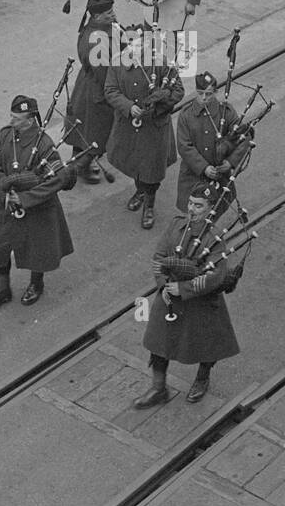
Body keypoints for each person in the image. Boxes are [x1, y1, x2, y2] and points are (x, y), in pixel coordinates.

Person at [133, 181, 241, 407]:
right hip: (169, 298)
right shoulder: (176, 225)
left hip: (199, 302)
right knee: (159, 343)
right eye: (190, 203)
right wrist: (164, 286)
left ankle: (202, 379)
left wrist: (183, 289)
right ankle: (158, 388)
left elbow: (215, 275)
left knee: (207, 345)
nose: (192, 209)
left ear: (211, 209)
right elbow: (159, 257)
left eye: (199, 206)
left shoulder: (215, 240)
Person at [0, 95, 75, 310]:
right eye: (11, 116)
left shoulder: (44, 144)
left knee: (37, 249)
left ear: (30, 120)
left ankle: (36, 284)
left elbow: (58, 179)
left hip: (36, 208)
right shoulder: (5, 135)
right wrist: (2, 188)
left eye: (16, 118)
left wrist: (24, 198)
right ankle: (3, 290)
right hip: (6, 203)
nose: (11, 121)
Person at [105, 26, 185, 230]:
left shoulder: (160, 63)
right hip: (129, 128)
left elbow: (178, 91)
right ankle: (140, 190)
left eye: (141, 44)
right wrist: (128, 106)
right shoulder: (117, 64)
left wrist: (159, 102)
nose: (137, 49)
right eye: (132, 44)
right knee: (134, 163)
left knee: (152, 169)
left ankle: (149, 203)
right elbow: (111, 90)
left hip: (153, 129)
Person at [173, 71, 251, 214]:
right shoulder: (186, 115)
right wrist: (204, 168)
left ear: (215, 92)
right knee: (190, 213)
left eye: (208, 94)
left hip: (219, 176)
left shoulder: (225, 112)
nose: (204, 98)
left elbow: (243, 137)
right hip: (193, 175)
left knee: (213, 212)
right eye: (200, 93)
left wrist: (230, 163)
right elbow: (184, 146)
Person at [65, 0, 118, 183]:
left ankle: (81, 162)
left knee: (84, 129)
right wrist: (116, 93)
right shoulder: (96, 42)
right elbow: (105, 75)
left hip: (87, 86)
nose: (113, 15)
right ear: (97, 16)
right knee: (96, 132)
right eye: (109, 13)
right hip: (97, 91)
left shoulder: (98, 28)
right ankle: (79, 167)